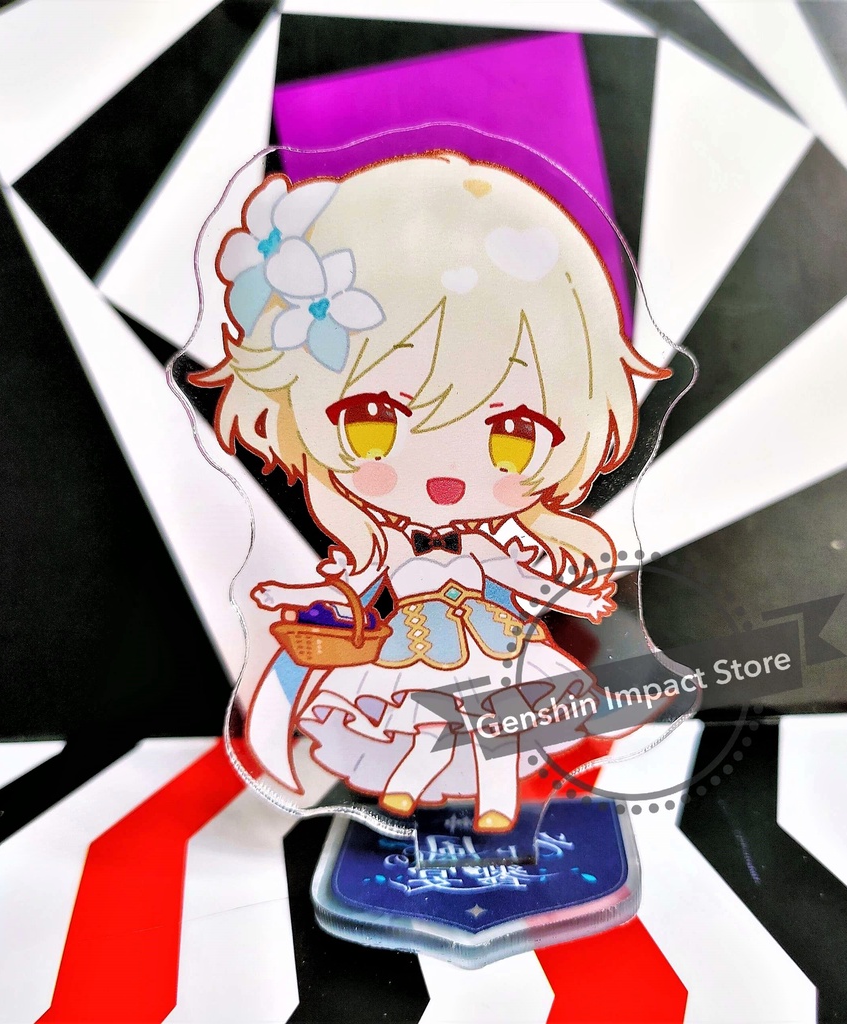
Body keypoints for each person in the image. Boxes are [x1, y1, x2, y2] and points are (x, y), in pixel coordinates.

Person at [194, 152, 671, 831]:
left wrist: (577, 598)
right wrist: (288, 602)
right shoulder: (386, 547)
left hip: (497, 654)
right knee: (424, 725)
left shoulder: (494, 545)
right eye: (372, 420)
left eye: (514, 434)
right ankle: (406, 790)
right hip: (411, 657)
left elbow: (528, 582)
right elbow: (347, 596)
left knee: (492, 729)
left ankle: (494, 807)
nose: (446, 477)